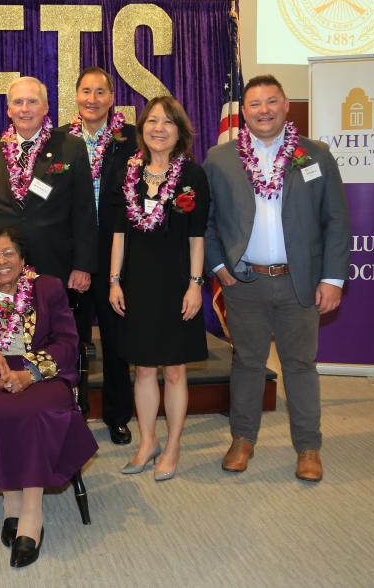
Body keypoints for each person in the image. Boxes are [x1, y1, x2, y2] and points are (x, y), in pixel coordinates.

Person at [204, 75, 350, 482]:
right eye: (254, 104)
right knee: (247, 362)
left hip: (299, 282)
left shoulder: (314, 155)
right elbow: (208, 222)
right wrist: (219, 268)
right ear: (244, 112)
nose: (263, 110)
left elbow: (336, 221)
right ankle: (242, 439)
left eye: (271, 102)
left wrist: (333, 279)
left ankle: (308, 446)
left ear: (286, 105)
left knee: (300, 365)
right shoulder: (220, 158)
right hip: (244, 282)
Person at [0, 227, 98, 569]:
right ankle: (10, 503)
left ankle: (30, 514)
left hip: (42, 373)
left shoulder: (48, 288)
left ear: (24, 258)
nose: (2, 262)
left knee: (38, 412)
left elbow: (67, 342)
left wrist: (30, 374)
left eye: (9, 253)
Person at [108, 97, 210, 481]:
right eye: (152, 121)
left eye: (168, 122)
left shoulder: (192, 176)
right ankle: (147, 441)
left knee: (175, 371)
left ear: (179, 131)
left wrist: (195, 285)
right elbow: (118, 233)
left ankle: (172, 445)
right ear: (142, 129)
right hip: (136, 283)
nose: (159, 128)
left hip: (176, 284)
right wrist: (114, 280)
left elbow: (197, 236)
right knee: (144, 369)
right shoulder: (127, 174)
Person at [57, 67, 139, 446]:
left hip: (116, 252)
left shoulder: (131, 140)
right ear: (76, 96)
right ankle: (70, 411)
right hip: (70, 254)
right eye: (86, 91)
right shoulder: (57, 140)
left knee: (118, 337)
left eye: (100, 92)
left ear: (111, 97)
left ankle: (117, 414)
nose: (92, 99)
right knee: (68, 339)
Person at [0, 77, 95, 291]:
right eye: (18, 102)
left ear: (45, 107)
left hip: (56, 265)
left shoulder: (71, 147)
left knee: (56, 325)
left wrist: (83, 265)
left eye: (32, 102)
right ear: (8, 110)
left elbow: (84, 212)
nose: (24, 109)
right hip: (1, 269)